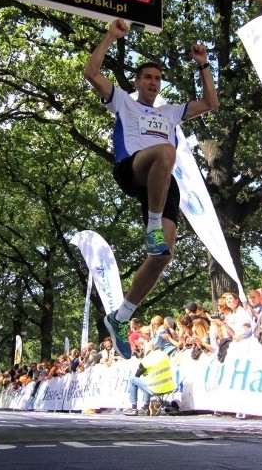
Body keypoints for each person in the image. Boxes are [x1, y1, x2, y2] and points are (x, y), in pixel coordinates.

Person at [84, 18, 219, 359]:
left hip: (162, 181)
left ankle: (120, 316)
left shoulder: (170, 112)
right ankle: (153, 224)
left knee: (162, 256)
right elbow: (91, 72)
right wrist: (111, 36)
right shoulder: (122, 102)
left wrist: (203, 64)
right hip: (133, 168)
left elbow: (210, 103)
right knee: (166, 151)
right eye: (148, 77)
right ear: (137, 81)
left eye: (158, 79)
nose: (153, 82)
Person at [122, 346, 175, 416]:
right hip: (169, 388)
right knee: (146, 382)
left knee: (133, 380)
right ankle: (145, 407)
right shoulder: (164, 356)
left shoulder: (147, 360)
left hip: (156, 389)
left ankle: (133, 408)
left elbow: (137, 375)